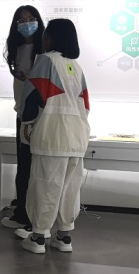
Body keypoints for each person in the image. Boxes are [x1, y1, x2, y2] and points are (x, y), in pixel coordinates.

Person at [17, 19, 90, 254]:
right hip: (77, 135)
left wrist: (27, 123)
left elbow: (32, 97)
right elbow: (86, 105)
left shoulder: (45, 61)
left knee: (45, 185)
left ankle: (38, 237)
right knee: (70, 188)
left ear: (51, 37)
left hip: (51, 134)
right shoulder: (76, 67)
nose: (43, 38)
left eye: (46, 34)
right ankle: (64, 236)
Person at [0, 5, 46, 231]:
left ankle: (31, 218)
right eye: (22, 20)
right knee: (24, 164)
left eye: (31, 19)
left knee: (34, 166)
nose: (27, 24)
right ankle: (23, 214)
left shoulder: (44, 52)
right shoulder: (16, 49)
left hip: (38, 116)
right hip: (23, 114)